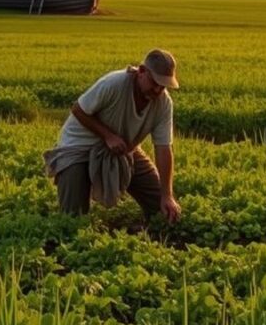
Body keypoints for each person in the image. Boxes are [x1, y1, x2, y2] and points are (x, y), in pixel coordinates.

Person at [43, 49, 182, 225]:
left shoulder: (163, 103)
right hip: (79, 148)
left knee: (162, 209)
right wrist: (108, 136)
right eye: (154, 82)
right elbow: (78, 109)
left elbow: (163, 148)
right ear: (141, 72)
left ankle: (155, 229)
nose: (158, 90)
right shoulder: (114, 84)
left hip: (124, 149)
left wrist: (167, 195)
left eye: (163, 86)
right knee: (73, 220)